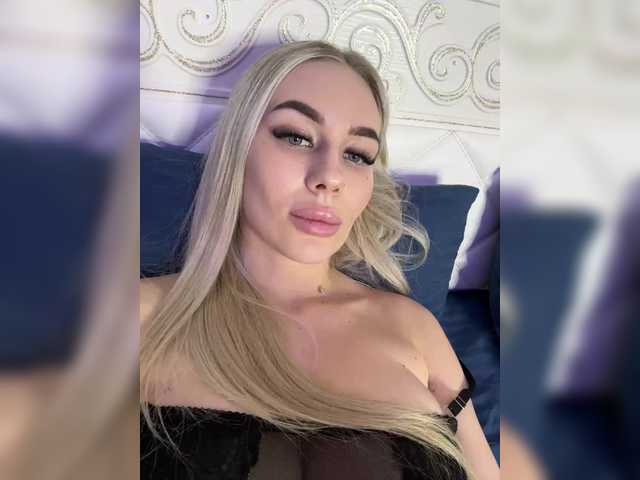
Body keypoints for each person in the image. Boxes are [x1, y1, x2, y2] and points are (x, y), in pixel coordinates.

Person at [140, 40, 499, 480]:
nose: (330, 176)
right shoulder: (138, 317)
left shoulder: (414, 326)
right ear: (238, 149)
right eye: (296, 137)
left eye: (357, 154)